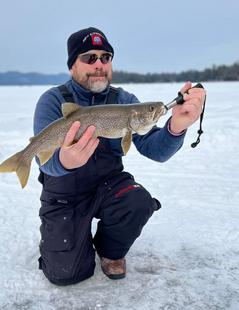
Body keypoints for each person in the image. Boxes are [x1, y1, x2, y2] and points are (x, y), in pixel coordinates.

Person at [33, 27, 206, 286]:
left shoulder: (124, 100)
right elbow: (44, 160)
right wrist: (65, 161)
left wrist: (176, 127)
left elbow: (154, 150)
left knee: (137, 202)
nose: (99, 64)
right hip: (65, 192)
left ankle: (109, 250)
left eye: (106, 57)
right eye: (89, 58)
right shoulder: (52, 101)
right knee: (65, 274)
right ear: (72, 67)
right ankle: (65, 242)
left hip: (107, 185)